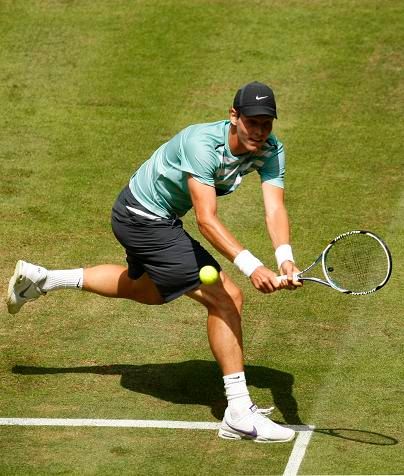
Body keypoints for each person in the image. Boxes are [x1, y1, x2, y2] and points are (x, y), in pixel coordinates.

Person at [7, 81, 301, 443]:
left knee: (149, 291)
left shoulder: (271, 150)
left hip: (151, 215)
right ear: (233, 116)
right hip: (141, 216)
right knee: (226, 298)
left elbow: (275, 207)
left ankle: (44, 280)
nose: (259, 131)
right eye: (252, 122)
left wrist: (284, 259)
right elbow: (207, 219)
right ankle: (239, 413)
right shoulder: (203, 145)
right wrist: (252, 266)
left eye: (266, 123)